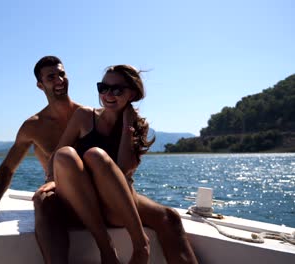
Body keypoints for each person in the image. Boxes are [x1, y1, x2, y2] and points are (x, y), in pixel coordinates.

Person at [38, 65, 198, 263]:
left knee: (170, 216)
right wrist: (52, 179)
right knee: (66, 155)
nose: (108, 94)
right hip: (82, 201)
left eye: (117, 89)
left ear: (132, 93)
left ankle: (141, 246)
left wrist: (127, 127)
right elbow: (57, 156)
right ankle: (108, 249)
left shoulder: (137, 126)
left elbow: (122, 169)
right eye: (103, 88)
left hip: (115, 204)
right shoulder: (84, 116)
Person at [0, 56, 81, 263]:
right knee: (42, 200)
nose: (59, 80)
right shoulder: (33, 126)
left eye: (62, 74)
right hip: (59, 196)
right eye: (51, 77)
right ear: (40, 86)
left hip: (89, 191)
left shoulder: (87, 115)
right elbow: (8, 167)